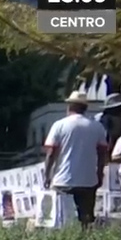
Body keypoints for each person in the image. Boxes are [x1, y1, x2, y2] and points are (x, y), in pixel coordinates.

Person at [44, 91, 108, 227]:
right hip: (88, 180)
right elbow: (102, 154)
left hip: (63, 180)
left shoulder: (59, 125)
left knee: (63, 220)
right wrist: (99, 174)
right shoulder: (97, 126)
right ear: (85, 108)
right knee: (86, 219)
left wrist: (47, 175)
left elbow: (51, 152)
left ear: (69, 106)